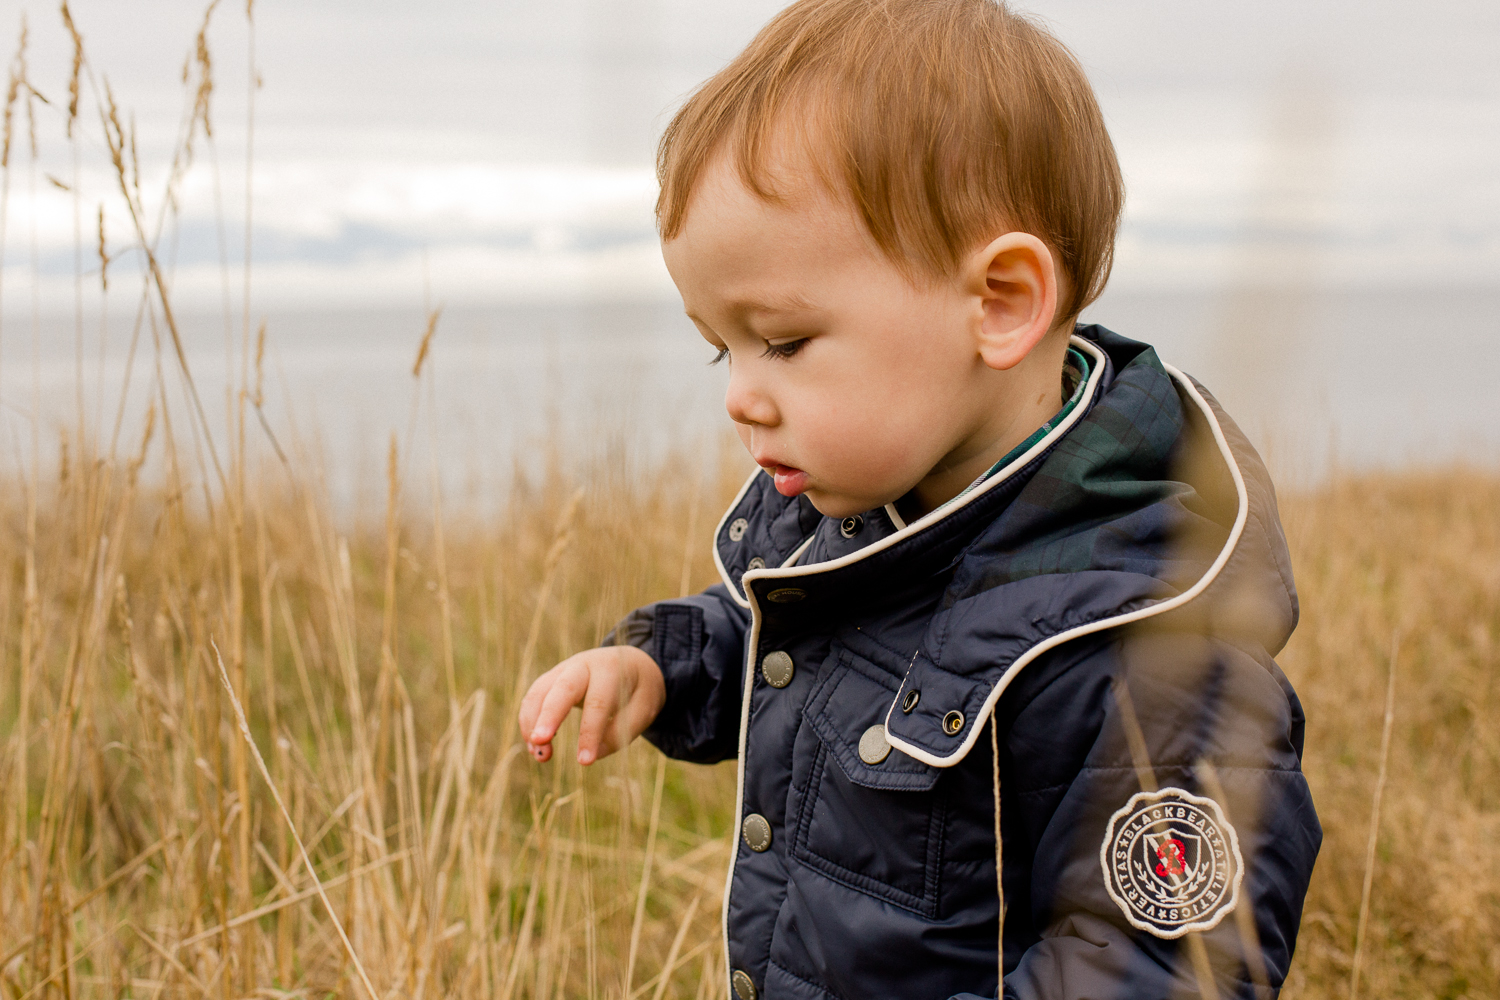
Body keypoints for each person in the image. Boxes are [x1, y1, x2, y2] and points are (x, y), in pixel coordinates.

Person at [518, 0, 1321, 996]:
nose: (738, 396)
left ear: (1000, 303)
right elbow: (794, 635)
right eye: (720, 347)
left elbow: (1161, 963)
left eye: (784, 338)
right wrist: (658, 662)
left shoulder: (1147, 650)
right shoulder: (874, 506)